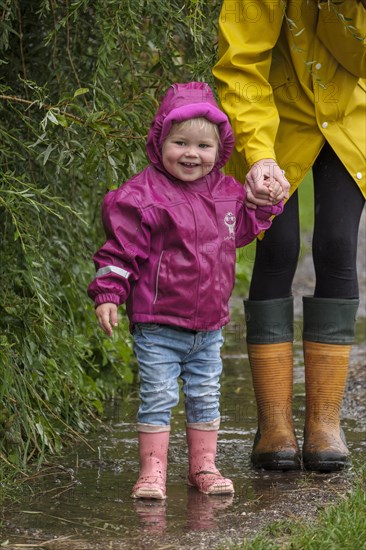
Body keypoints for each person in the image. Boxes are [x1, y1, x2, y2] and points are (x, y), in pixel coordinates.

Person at [87, 82, 283, 499]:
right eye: (180, 142)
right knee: (158, 396)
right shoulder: (143, 197)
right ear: (160, 142)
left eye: (203, 146)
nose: (192, 154)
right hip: (158, 324)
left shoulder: (226, 193)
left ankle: (204, 467)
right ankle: (152, 471)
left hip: (208, 326)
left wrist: (260, 205)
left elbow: (241, 232)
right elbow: (121, 251)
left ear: (220, 148)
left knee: (205, 396)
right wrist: (108, 293)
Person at [213, 0, 366, 472]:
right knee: (277, 248)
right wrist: (257, 153)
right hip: (274, 121)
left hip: (351, 117)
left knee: (338, 247)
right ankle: (274, 424)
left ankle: (325, 423)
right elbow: (240, 62)